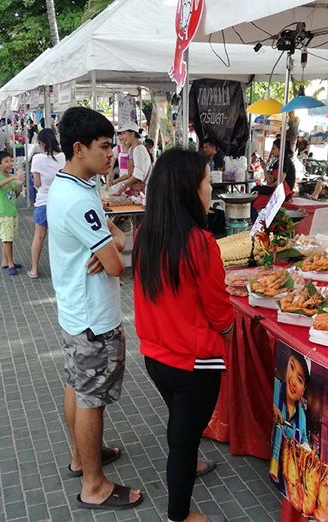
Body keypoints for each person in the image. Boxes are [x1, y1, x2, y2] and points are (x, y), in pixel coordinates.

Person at [46, 107, 142, 511]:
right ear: (79, 148)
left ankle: (82, 456)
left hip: (75, 312)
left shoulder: (74, 186)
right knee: (91, 399)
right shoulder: (77, 200)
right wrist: (110, 246)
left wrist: (109, 242)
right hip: (92, 319)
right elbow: (118, 264)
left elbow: (114, 239)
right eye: (104, 147)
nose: (111, 154)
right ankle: (94, 485)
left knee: (76, 386)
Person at [133, 148, 234, 522]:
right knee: (184, 440)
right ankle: (179, 514)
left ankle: (189, 465)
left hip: (155, 357)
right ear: (189, 190)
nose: (211, 190)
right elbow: (219, 308)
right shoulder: (200, 242)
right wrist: (228, 332)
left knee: (180, 425)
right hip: (195, 363)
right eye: (207, 182)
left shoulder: (145, 234)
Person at [270, 350, 310, 491]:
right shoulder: (274, 388)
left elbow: (304, 442)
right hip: (272, 465)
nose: (293, 381)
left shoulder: (301, 416)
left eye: (300, 380)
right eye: (291, 367)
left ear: (303, 390)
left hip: (289, 479)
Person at [28, 129, 65, 279]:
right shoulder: (63, 157)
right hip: (61, 202)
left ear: (41, 143)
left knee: (39, 236)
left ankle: (34, 269)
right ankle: (62, 269)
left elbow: (37, 183)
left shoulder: (37, 159)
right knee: (61, 237)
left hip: (43, 200)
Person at [0, 151, 25, 275]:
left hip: (12, 212)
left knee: (9, 238)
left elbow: (15, 194)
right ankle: (10, 264)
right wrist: (12, 178)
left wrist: (20, 185)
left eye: (10, 161)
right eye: (6, 161)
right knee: (7, 240)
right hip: (3, 213)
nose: (9, 163)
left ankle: (5, 261)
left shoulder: (11, 177)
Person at [111, 122, 152, 195]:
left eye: (124, 133)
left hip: (143, 191)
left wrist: (124, 185)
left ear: (132, 134)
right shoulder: (132, 149)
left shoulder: (138, 150)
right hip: (136, 190)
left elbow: (138, 174)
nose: (122, 137)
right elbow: (130, 173)